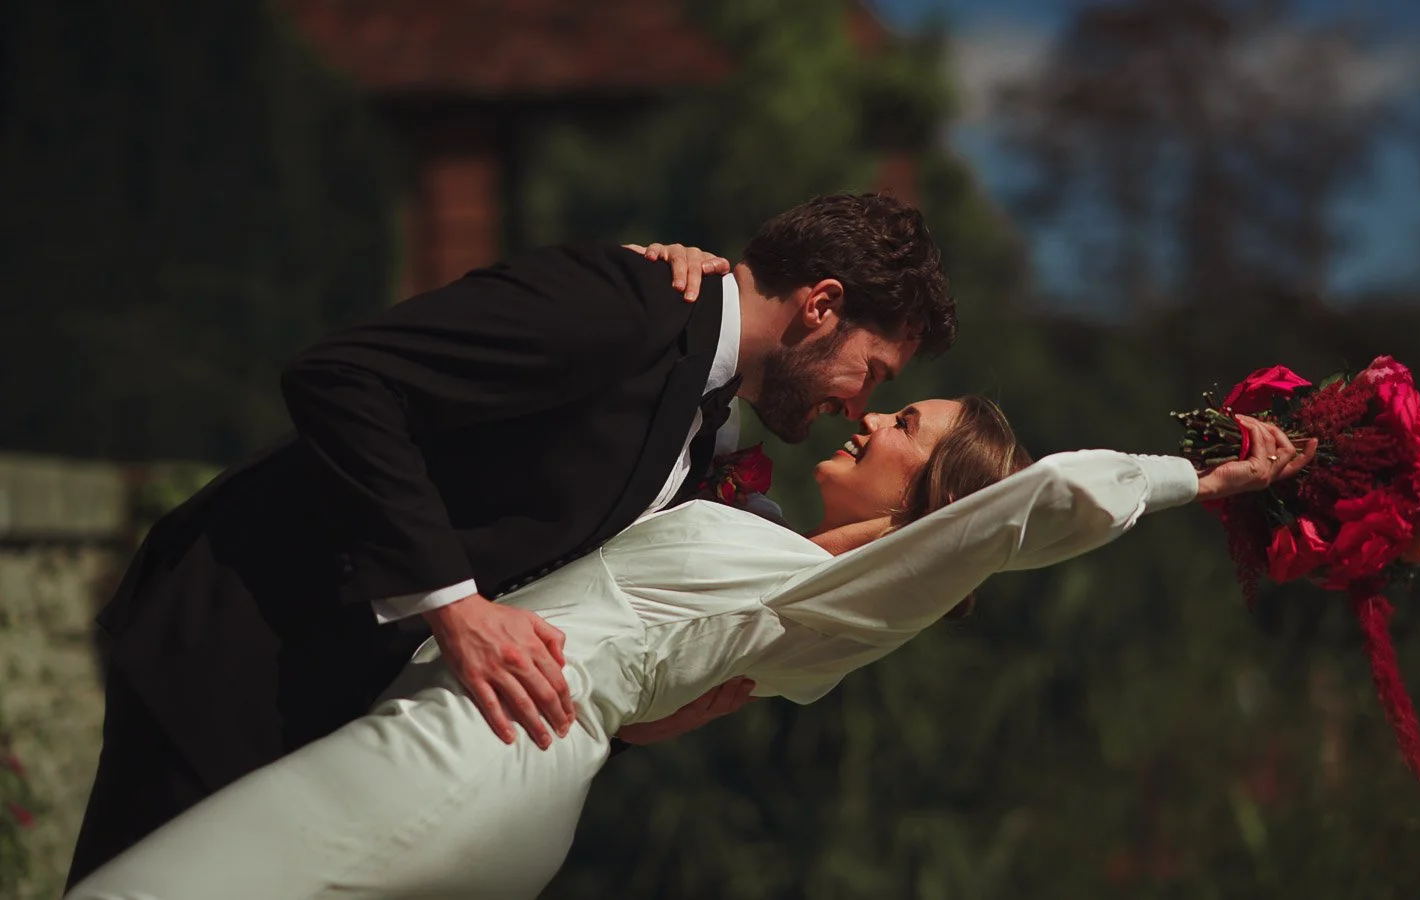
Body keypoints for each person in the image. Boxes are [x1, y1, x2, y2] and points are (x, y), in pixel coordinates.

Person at [67, 399, 1313, 899]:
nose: (874, 413)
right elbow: (661, 712)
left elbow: (1045, 501)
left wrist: (1200, 478)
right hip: (514, 771)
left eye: (906, 424)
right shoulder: (800, 591)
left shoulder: (863, 589)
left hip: (468, 754)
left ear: (938, 497)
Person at [68, 193, 955, 887]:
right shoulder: (625, 304)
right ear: (821, 304)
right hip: (238, 640)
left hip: (333, 698)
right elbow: (343, 379)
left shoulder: (700, 406)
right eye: (871, 371)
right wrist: (454, 605)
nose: (856, 401)